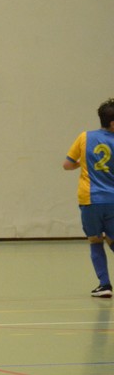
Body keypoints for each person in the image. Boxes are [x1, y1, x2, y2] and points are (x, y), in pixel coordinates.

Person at [63, 98, 114, 298]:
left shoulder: (85, 137)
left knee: (95, 240)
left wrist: (81, 163)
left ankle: (105, 285)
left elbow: (67, 165)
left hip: (90, 199)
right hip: (112, 200)